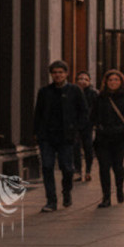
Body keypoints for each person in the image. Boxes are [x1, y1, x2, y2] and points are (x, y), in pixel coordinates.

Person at [33, 60, 88, 212]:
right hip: (47, 136)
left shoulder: (75, 91)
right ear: (51, 74)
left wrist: (77, 129)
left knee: (67, 168)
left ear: (66, 74)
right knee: (47, 166)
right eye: (55, 73)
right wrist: (37, 132)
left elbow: (83, 111)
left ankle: (66, 192)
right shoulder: (44, 92)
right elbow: (38, 113)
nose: (58, 75)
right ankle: (51, 200)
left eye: (61, 72)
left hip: (66, 136)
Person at [92, 70, 124, 208]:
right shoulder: (100, 97)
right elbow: (93, 114)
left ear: (121, 82)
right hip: (102, 136)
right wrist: (97, 125)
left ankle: (119, 189)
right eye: (110, 80)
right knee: (104, 167)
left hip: (120, 137)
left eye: (116, 80)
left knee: (117, 165)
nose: (113, 82)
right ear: (106, 82)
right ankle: (106, 197)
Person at [74, 70, 98, 183]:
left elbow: (96, 109)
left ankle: (88, 170)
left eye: (85, 79)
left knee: (88, 148)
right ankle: (78, 171)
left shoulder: (93, 94)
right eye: (80, 79)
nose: (83, 81)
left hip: (88, 125)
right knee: (75, 148)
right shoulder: (72, 92)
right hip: (74, 125)